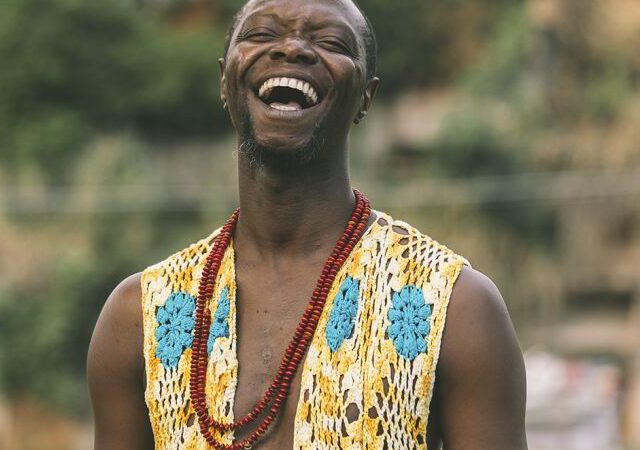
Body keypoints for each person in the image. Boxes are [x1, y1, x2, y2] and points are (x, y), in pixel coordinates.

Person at [87, 0, 528, 448]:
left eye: (331, 42)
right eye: (261, 35)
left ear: (365, 97)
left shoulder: (456, 307)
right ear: (225, 80)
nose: (293, 48)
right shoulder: (139, 317)